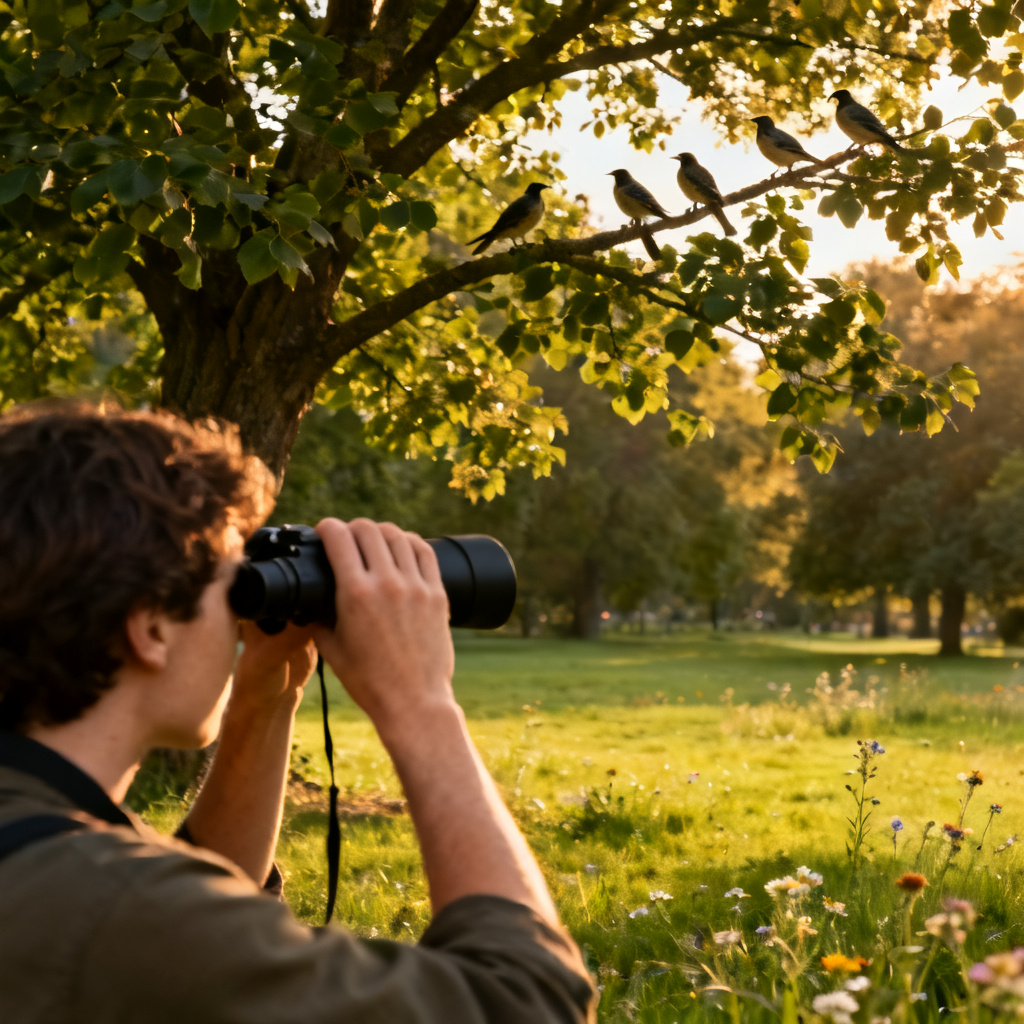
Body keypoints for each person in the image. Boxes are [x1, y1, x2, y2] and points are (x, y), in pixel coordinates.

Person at [0, 400, 596, 1023]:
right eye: (231, 586)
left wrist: (266, 699)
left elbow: (195, 939)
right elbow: (531, 1005)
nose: (238, 621)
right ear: (151, 627)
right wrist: (421, 703)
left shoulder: (47, 856)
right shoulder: (110, 907)